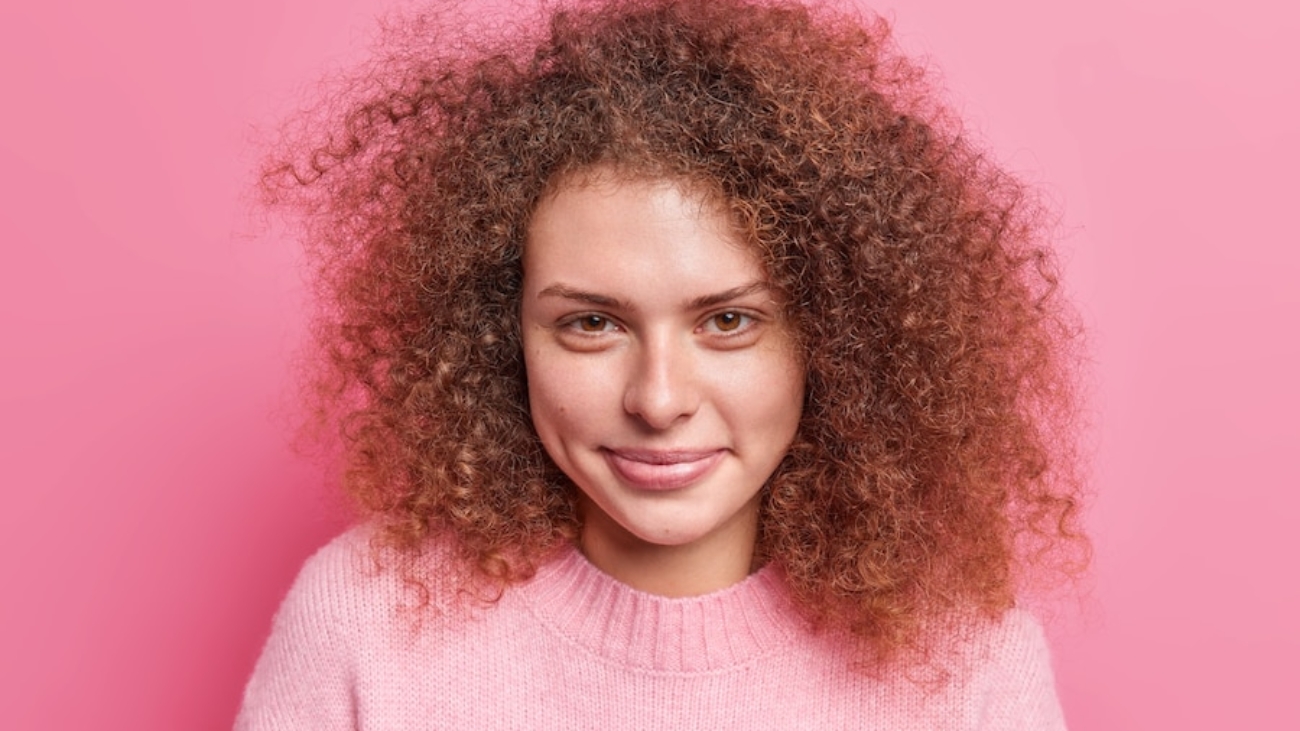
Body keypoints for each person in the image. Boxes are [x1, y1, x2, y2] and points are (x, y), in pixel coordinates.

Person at [236, 0, 1087, 728]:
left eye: (728, 320)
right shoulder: (363, 624)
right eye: (592, 323)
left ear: (832, 337)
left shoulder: (968, 663)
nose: (658, 398)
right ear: (501, 336)